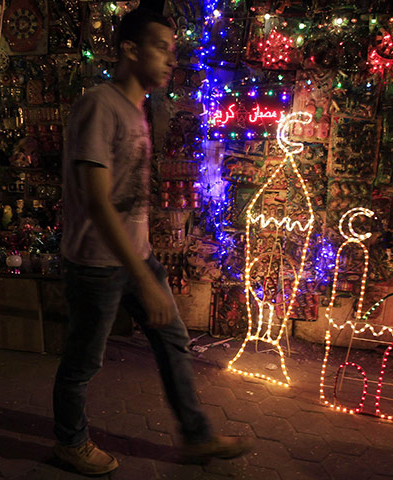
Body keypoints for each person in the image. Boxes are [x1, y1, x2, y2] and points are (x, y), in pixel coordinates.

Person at [52, 8, 251, 476]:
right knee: (84, 361)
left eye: (172, 50)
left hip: (135, 259)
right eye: (161, 47)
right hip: (96, 263)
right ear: (129, 49)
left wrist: (145, 263)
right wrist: (141, 273)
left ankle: (197, 437)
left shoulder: (137, 109)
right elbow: (98, 203)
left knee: (174, 343)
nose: (170, 59)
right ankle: (69, 442)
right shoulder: (99, 105)